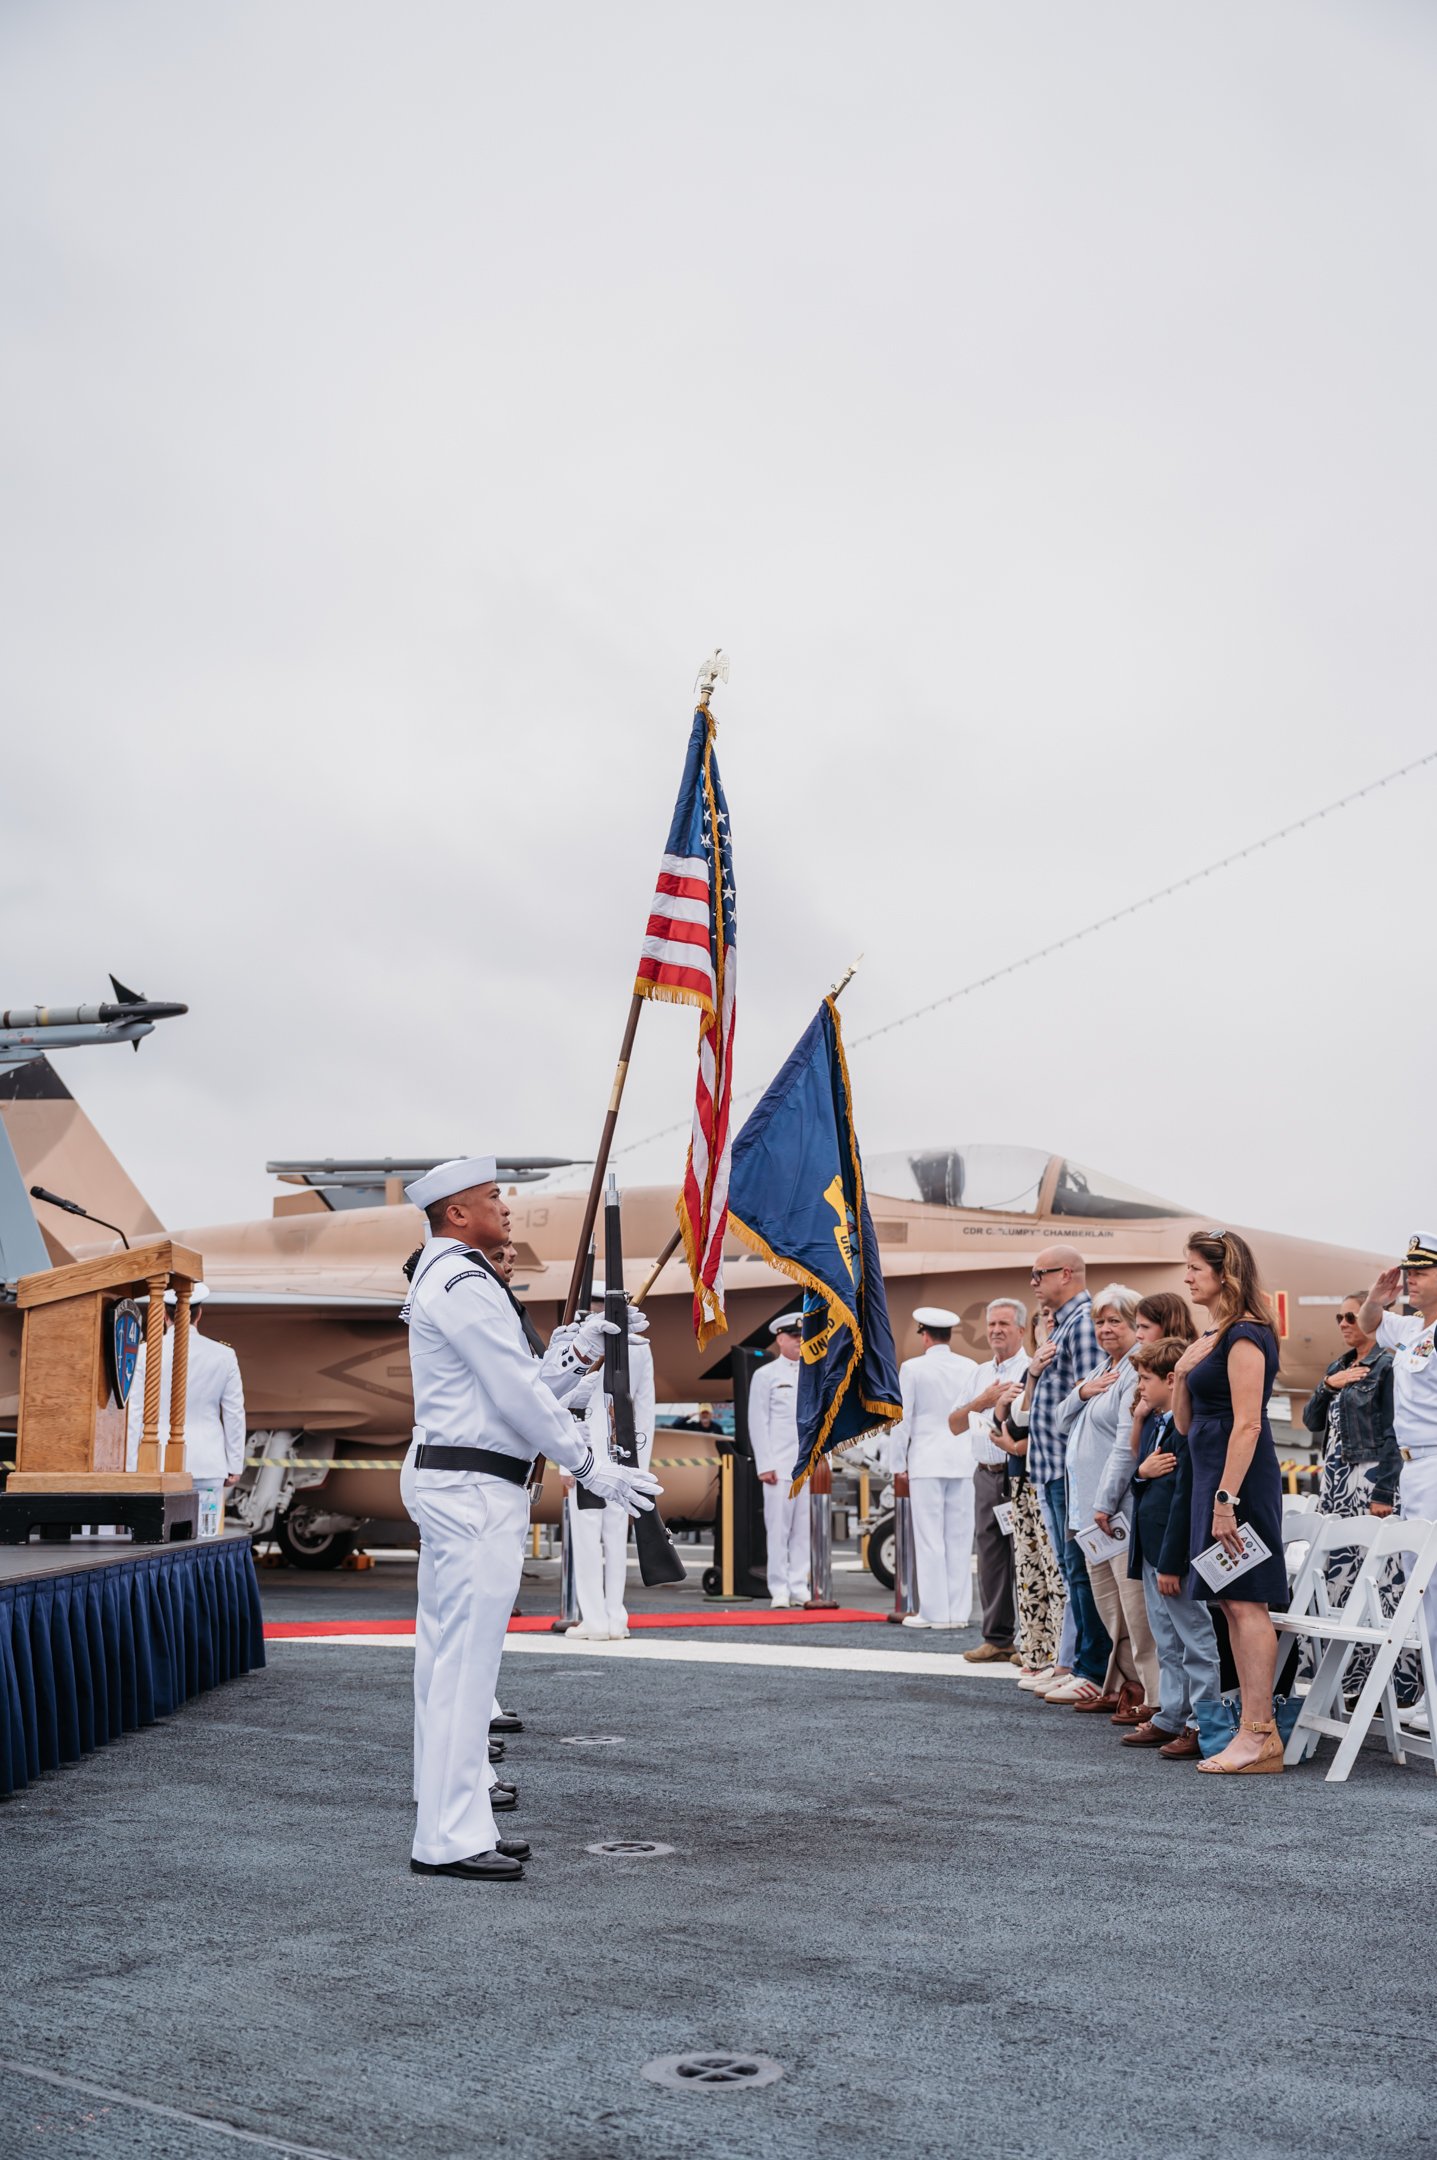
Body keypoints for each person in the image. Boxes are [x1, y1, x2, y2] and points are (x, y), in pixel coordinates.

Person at [399, 1156, 659, 1882]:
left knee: (455, 1669)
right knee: (463, 1671)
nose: (505, 1208)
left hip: (472, 1485)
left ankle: (453, 1818)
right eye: (491, 1198)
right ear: (456, 1213)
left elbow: (514, 1388)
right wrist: (587, 1464)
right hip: (473, 1493)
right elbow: (514, 1395)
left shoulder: (454, 1277)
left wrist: (582, 1348)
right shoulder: (462, 1279)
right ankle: (447, 1837)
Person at [1172, 1229, 1289, 1776]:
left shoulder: (1245, 1333)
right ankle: (1252, 1730)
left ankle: (1259, 1733)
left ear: (1225, 1272)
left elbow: (1247, 1424)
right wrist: (1179, 1372)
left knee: (1247, 1603)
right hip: (1211, 1479)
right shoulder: (1212, 1335)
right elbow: (1185, 1423)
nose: (1188, 1275)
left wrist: (1226, 1501)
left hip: (1236, 1484)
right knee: (1229, 1603)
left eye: (1196, 1267)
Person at [1300, 1294, 1420, 1703]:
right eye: (1340, 1317)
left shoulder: (1387, 1366)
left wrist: (1385, 1489)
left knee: (1381, 1581)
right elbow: (1312, 1421)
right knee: (1338, 1581)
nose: (1345, 1323)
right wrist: (1325, 1385)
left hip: (1367, 1482)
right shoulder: (1339, 1365)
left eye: (1351, 1316)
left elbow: (1393, 1432)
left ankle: (1398, 1687)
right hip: (1335, 1484)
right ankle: (1347, 1683)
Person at [1111, 1337, 1222, 1757]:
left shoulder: (1184, 1429)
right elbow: (1148, 1484)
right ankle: (1173, 1714)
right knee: (1167, 1640)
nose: (1140, 1386)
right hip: (1154, 1549)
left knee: (1194, 1638)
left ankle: (1203, 1721)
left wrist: (1174, 1562)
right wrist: (1140, 1473)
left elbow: (1183, 1498)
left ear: (1172, 1380)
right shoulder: (1161, 1422)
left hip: (1172, 1553)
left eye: (1145, 1378)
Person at [1011, 1245, 1108, 1699]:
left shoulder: (1084, 1322)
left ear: (1065, 1273)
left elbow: (1092, 1400)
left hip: (1070, 1469)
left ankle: (1092, 1671)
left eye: (1038, 1273)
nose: (1032, 1282)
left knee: (1083, 1571)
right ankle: (1078, 1663)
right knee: (1073, 1572)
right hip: (1052, 1465)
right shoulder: (1063, 1324)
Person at [1062, 1285, 1155, 1718]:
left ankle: (1150, 1694)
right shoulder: (1105, 1368)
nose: (1104, 1329)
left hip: (1115, 1511)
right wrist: (1083, 1391)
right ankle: (1122, 1683)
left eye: (1115, 1320)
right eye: (1099, 1321)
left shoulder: (1135, 1370)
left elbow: (1125, 1445)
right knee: (1108, 1606)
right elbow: (1061, 1418)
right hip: (1091, 1513)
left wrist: (1105, 1501)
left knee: (1134, 1608)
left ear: (1136, 1323)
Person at [1357, 1233, 1437, 1697]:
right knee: (1422, 1589)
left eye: (1422, 1272)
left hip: (1433, 1461)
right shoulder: (1412, 1329)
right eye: (1409, 1272)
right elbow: (1370, 1324)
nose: (1411, 1281)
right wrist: (1376, 1297)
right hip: (1412, 1469)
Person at [560, 1285, 657, 1641]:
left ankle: (604, 1618)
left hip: (596, 1457)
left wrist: (565, 1464)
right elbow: (643, 1410)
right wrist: (638, 1465)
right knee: (608, 1539)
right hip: (614, 1456)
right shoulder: (635, 1347)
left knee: (599, 1541)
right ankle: (609, 1618)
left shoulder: (590, 1344)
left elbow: (564, 1404)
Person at [126, 1284, 246, 1531]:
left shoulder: (145, 1353)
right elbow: (234, 1413)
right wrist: (234, 1463)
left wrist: (131, 1465)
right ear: (199, 1313)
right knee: (206, 1542)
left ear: (164, 1315)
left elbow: (135, 1413)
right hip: (208, 1461)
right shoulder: (224, 1355)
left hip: (157, 1463)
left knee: (160, 1542)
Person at [892, 1307, 980, 1631]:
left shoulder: (913, 1368)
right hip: (963, 1459)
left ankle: (934, 1612)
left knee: (930, 1538)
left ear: (924, 1335)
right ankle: (958, 1613)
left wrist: (896, 1462)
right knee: (959, 1538)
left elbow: (903, 1419)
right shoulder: (970, 1366)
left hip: (927, 1460)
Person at [950, 1298, 1028, 1662]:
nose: (996, 1330)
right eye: (992, 1324)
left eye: (1004, 1324)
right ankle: (997, 1637)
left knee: (1028, 1556)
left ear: (1022, 1330)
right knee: (991, 1558)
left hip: (1018, 1473)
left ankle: (1031, 1640)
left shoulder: (1031, 1369)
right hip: (985, 1474)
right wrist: (984, 1400)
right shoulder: (979, 1373)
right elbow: (954, 1423)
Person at [994, 1305, 1068, 1686]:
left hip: (1043, 1474)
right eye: (1045, 1321)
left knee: (1055, 1571)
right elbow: (1005, 1421)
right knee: (1029, 1569)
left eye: (1055, 1321)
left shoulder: (1058, 1368)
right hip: (1021, 1481)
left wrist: (1016, 1444)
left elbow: (1038, 1428)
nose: (1050, 1327)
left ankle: (1058, 1655)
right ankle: (1036, 1651)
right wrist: (1002, 1408)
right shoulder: (1029, 1371)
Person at [746, 1313, 809, 1607]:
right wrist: (766, 1465)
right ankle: (779, 1588)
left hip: (807, 1464)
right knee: (779, 1530)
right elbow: (758, 1421)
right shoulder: (766, 1375)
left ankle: (799, 1585)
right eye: (794, 1337)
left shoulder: (815, 1373)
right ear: (780, 1339)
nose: (799, 1341)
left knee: (803, 1531)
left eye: (802, 1336)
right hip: (780, 1465)